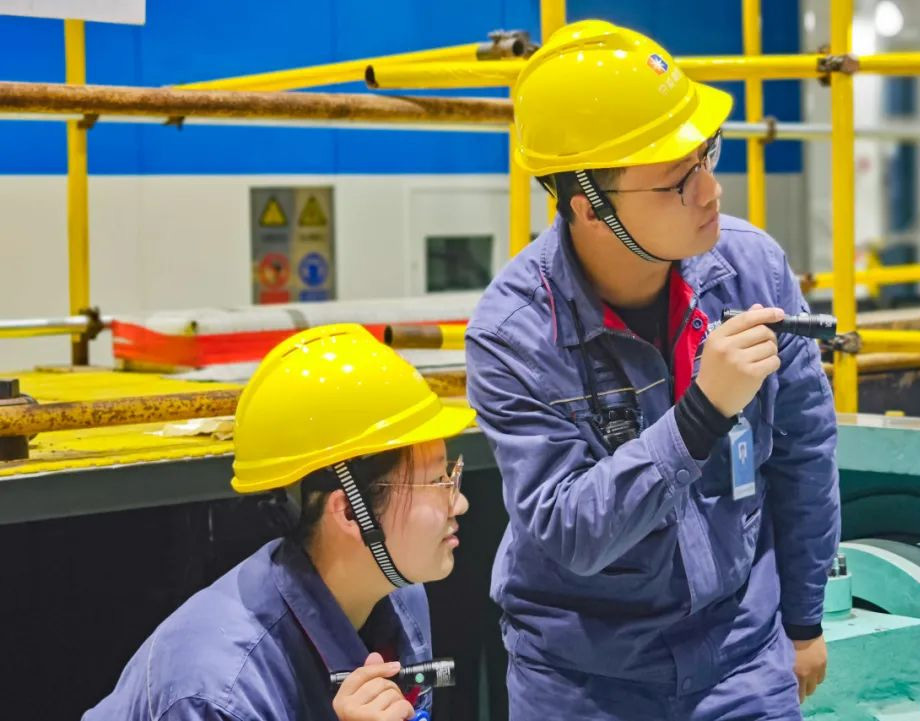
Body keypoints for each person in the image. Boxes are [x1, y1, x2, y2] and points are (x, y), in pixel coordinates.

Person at [465, 20, 840, 720]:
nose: (711, 191)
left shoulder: (752, 269)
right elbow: (569, 528)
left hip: (738, 652)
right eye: (677, 181)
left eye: (707, 155)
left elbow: (805, 449)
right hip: (582, 677)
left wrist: (804, 618)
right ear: (590, 207)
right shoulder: (514, 335)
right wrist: (702, 412)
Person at [84, 324, 474, 721]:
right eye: (436, 482)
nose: (459, 503)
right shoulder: (218, 691)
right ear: (350, 512)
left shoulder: (398, 595)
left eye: (452, 476)